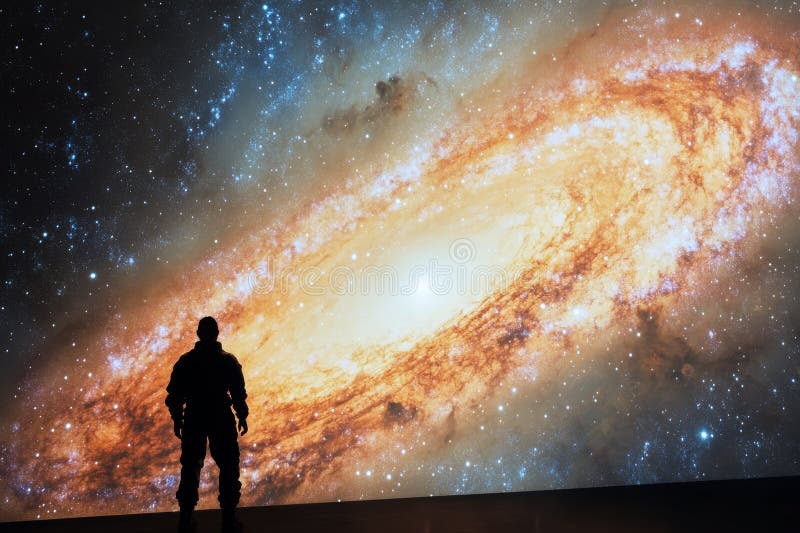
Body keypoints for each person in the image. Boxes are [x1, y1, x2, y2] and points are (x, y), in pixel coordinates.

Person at [166, 316, 249, 532]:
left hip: (195, 416)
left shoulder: (186, 361)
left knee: (191, 465)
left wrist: (178, 418)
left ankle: (185, 520)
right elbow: (238, 394)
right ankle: (229, 520)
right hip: (220, 415)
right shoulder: (227, 360)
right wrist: (242, 415)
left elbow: (174, 395)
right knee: (229, 465)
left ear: (198, 334)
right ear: (217, 334)